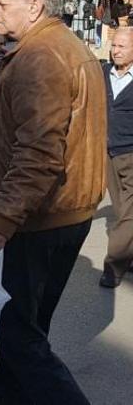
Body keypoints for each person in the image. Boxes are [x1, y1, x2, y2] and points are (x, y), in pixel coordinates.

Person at [0, 0, 106, 405]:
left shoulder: (41, 56)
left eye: (1, 4)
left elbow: (38, 153)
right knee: (25, 330)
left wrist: (1, 219)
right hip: (61, 213)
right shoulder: (60, 47)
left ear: (34, 8)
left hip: (38, 219)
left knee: (18, 336)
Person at [100, 27, 133, 288]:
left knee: (130, 213)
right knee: (122, 210)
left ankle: (113, 266)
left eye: (122, 46)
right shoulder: (103, 73)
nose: (115, 51)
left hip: (131, 153)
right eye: (114, 45)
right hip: (108, 153)